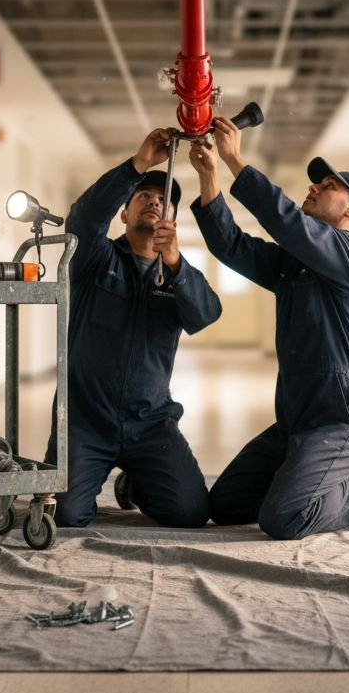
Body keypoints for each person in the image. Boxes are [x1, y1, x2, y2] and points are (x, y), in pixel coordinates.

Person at [186, 116, 349, 540]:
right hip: (296, 420)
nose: (313, 187)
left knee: (284, 517)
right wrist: (209, 175)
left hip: (344, 419)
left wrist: (235, 160)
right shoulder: (296, 264)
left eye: (328, 186)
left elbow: (288, 223)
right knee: (226, 505)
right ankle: (315, 478)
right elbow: (232, 245)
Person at [44, 128, 222, 528]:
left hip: (150, 423)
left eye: (164, 200)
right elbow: (83, 219)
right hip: (85, 421)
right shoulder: (95, 259)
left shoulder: (177, 275)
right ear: (124, 213)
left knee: (190, 513)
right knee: (67, 515)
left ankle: (137, 483)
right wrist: (138, 164)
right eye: (144, 196)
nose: (155, 202)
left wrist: (176, 264)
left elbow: (207, 314)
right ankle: (100, 471)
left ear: (172, 219)